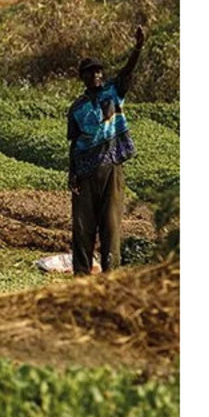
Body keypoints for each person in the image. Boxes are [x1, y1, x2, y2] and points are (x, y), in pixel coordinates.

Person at [68, 25, 145, 276]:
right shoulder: (77, 108)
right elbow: (74, 142)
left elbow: (127, 71)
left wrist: (138, 47)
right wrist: (72, 174)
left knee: (111, 225)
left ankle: (110, 274)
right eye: (91, 73)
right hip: (85, 172)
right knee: (82, 227)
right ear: (83, 78)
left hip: (111, 168)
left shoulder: (114, 93)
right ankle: (81, 274)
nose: (97, 76)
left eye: (99, 71)